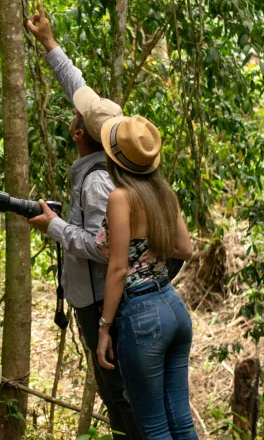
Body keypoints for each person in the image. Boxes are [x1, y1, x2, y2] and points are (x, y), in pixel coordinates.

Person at [26, 2, 142, 440]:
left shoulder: (97, 183)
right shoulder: (116, 160)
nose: (74, 113)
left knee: (118, 398)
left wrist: (54, 226)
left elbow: (103, 246)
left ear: (78, 133)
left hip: (100, 305)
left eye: (76, 117)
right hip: (103, 301)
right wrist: (50, 43)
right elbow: (79, 89)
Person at [94, 114, 197, 440]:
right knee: (181, 420)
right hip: (173, 306)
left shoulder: (121, 198)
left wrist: (104, 327)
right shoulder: (164, 193)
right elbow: (185, 248)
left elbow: (119, 268)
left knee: (153, 426)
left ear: (115, 161)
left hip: (142, 316)